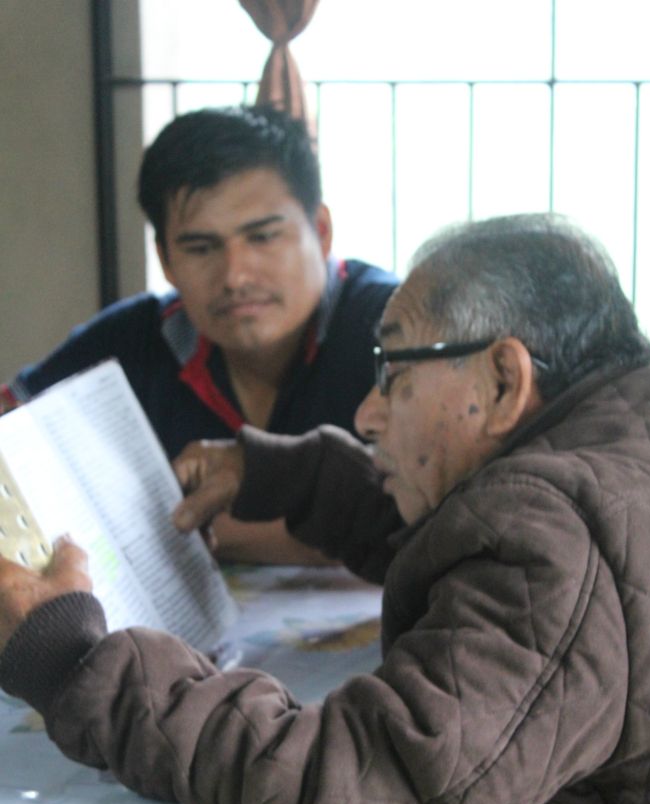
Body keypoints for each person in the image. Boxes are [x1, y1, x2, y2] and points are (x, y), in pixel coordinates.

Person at [1, 212, 650, 804]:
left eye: (393, 370)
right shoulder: (638, 441)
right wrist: (296, 478)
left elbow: (351, 792)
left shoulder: (558, 532)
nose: (368, 411)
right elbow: (491, 556)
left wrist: (75, 661)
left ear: (503, 380)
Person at [2, 105, 397, 563]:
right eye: (201, 248)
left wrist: (186, 528)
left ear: (322, 231)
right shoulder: (132, 341)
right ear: (166, 260)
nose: (235, 275)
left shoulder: (393, 328)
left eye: (263, 237)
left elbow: (439, 517)